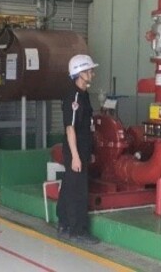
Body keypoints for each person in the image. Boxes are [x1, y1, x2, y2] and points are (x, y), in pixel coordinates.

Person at [56, 54, 100, 245]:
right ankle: (77, 231)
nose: (92, 74)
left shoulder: (84, 94)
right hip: (75, 150)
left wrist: (88, 151)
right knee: (78, 191)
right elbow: (70, 128)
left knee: (69, 186)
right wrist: (75, 156)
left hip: (82, 149)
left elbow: (85, 126)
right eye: (89, 71)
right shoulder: (73, 96)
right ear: (80, 73)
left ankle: (64, 223)